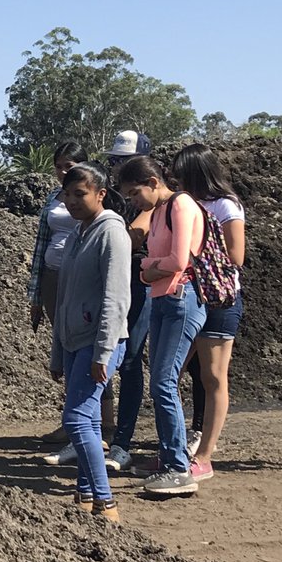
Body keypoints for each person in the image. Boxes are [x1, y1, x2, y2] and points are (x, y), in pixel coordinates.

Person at [117, 156, 207, 495]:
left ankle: (177, 468)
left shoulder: (180, 205)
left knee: (164, 383)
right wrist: (150, 270)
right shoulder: (157, 212)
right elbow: (156, 265)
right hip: (164, 300)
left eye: (135, 192)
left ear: (154, 182)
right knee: (162, 382)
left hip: (181, 300)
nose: (133, 201)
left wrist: (147, 268)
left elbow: (177, 261)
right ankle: (172, 457)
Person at [48, 162, 131, 522]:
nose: (72, 201)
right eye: (67, 194)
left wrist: (104, 351)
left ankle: (106, 500)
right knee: (90, 421)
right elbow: (65, 295)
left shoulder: (111, 232)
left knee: (77, 419)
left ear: (100, 193)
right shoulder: (79, 233)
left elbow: (116, 298)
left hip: (99, 342)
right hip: (73, 340)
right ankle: (85, 496)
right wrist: (57, 349)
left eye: (80, 194)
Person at [174, 145, 246, 480]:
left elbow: (236, 256)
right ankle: (174, 448)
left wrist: (195, 253)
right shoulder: (185, 203)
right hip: (188, 298)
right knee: (169, 374)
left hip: (218, 299)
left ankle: (204, 455)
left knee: (213, 376)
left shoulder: (224, 205)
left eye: (181, 173)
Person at [103, 132, 156, 473]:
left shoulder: (150, 202)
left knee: (132, 360)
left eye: (123, 161)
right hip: (113, 282)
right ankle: (102, 437)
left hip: (140, 284)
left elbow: (135, 236)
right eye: (114, 162)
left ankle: (123, 442)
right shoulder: (116, 197)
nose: (117, 168)